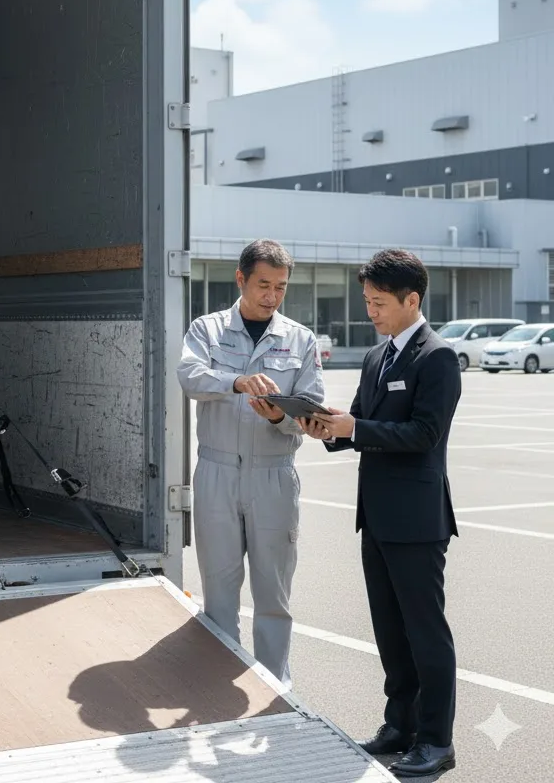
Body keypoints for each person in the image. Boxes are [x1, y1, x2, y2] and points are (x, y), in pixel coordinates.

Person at [300, 249, 460, 779]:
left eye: (379, 303)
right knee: (391, 632)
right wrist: (326, 428)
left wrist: (355, 430)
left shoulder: (436, 358)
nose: (370, 311)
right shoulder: (377, 357)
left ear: (412, 300)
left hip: (417, 521)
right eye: (366, 301)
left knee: (425, 633)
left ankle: (437, 740)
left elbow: (424, 435)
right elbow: (362, 423)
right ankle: (400, 727)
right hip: (377, 517)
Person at [177, 239, 323, 691]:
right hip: (217, 472)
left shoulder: (300, 339)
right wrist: (236, 381)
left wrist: (281, 416)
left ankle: (275, 687)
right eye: (263, 285)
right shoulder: (207, 330)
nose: (272, 296)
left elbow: (311, 407)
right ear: (240, 279)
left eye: (280, 287)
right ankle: (219, 687)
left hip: (273, 475)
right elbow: (189, 376)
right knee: (219, 588)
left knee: (273, 590)